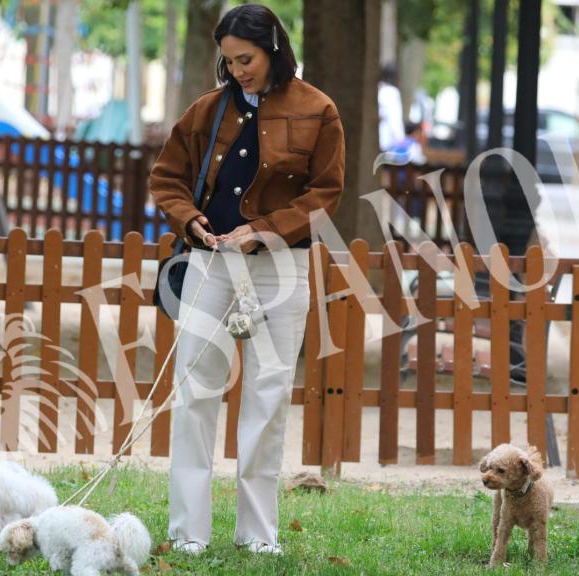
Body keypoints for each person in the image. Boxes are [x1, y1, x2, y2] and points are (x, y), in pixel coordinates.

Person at [149, 4, 345, 557]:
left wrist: (262, 231)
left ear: (274, 49)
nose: (238, 70)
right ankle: (188, 531)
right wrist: (188, 217)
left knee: (268, 394)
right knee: (194, 393)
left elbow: (325, 194)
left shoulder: (319, 110)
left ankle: (258, 536)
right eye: (229, 60)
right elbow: (167, 178)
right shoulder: (206, 109)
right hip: (208, 263)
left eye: (247, 58)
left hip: (282, 266)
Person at [378, 63, 405, 152]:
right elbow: (394, 118)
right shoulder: (392, 92)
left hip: (375, 137)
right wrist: (400, 139)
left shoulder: (378, 89)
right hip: (387, 140)